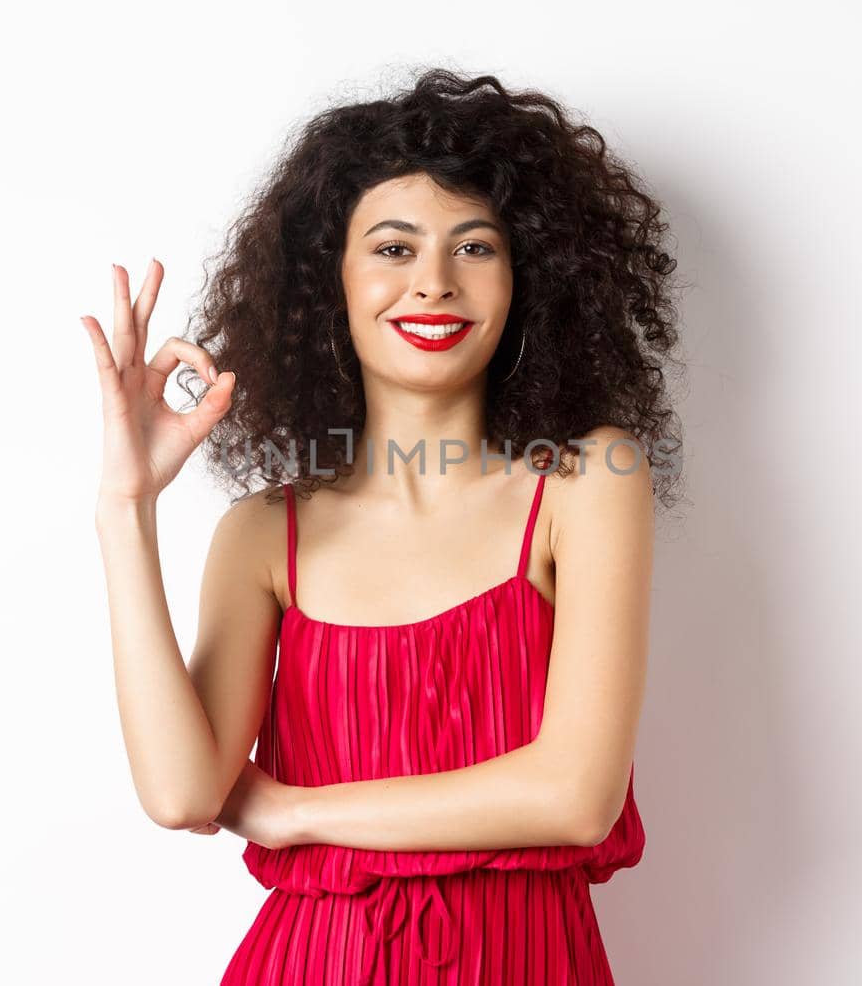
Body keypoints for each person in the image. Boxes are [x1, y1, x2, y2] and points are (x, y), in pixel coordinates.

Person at [79, 68, 685, 984]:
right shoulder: (263, 535)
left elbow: (574, 796)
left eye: (475, 248)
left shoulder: (587, 480)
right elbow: (181, 791)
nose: (435, 283)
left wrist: (299, 812)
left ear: (529, 278)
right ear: (332, 282)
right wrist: (127, 506)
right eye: (393, 249)